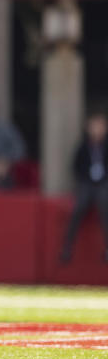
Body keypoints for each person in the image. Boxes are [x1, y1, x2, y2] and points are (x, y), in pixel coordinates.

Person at [59, 112, 108, 263]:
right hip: (86, 185)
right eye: (94, 126)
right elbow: (76, 167)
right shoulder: (83, 146)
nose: (97, 129)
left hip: (103, 184)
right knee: (78, 208)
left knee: (105, 208)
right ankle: (67, 249)